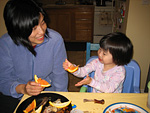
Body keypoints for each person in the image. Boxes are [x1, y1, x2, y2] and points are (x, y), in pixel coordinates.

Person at [0, 0, 68, 112]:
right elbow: (3, 81)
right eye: (33, 28)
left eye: (42, 23)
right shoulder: (5, 43)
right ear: (18, 29)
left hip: (48, 95)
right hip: (16, 95)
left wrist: (60, 102)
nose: (41, 32)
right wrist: (23, 88)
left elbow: (60, 76)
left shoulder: (55, 40)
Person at [63, 32, 133, 93]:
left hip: (112, 100)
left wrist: (91, 82)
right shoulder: (96, 62)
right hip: (96, 98)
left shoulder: (120, 71)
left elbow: (109, 89)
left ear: (117, 58)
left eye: (104, 54)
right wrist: (73, 68)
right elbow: (82, 72)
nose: (99, 54)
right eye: (100, 49)